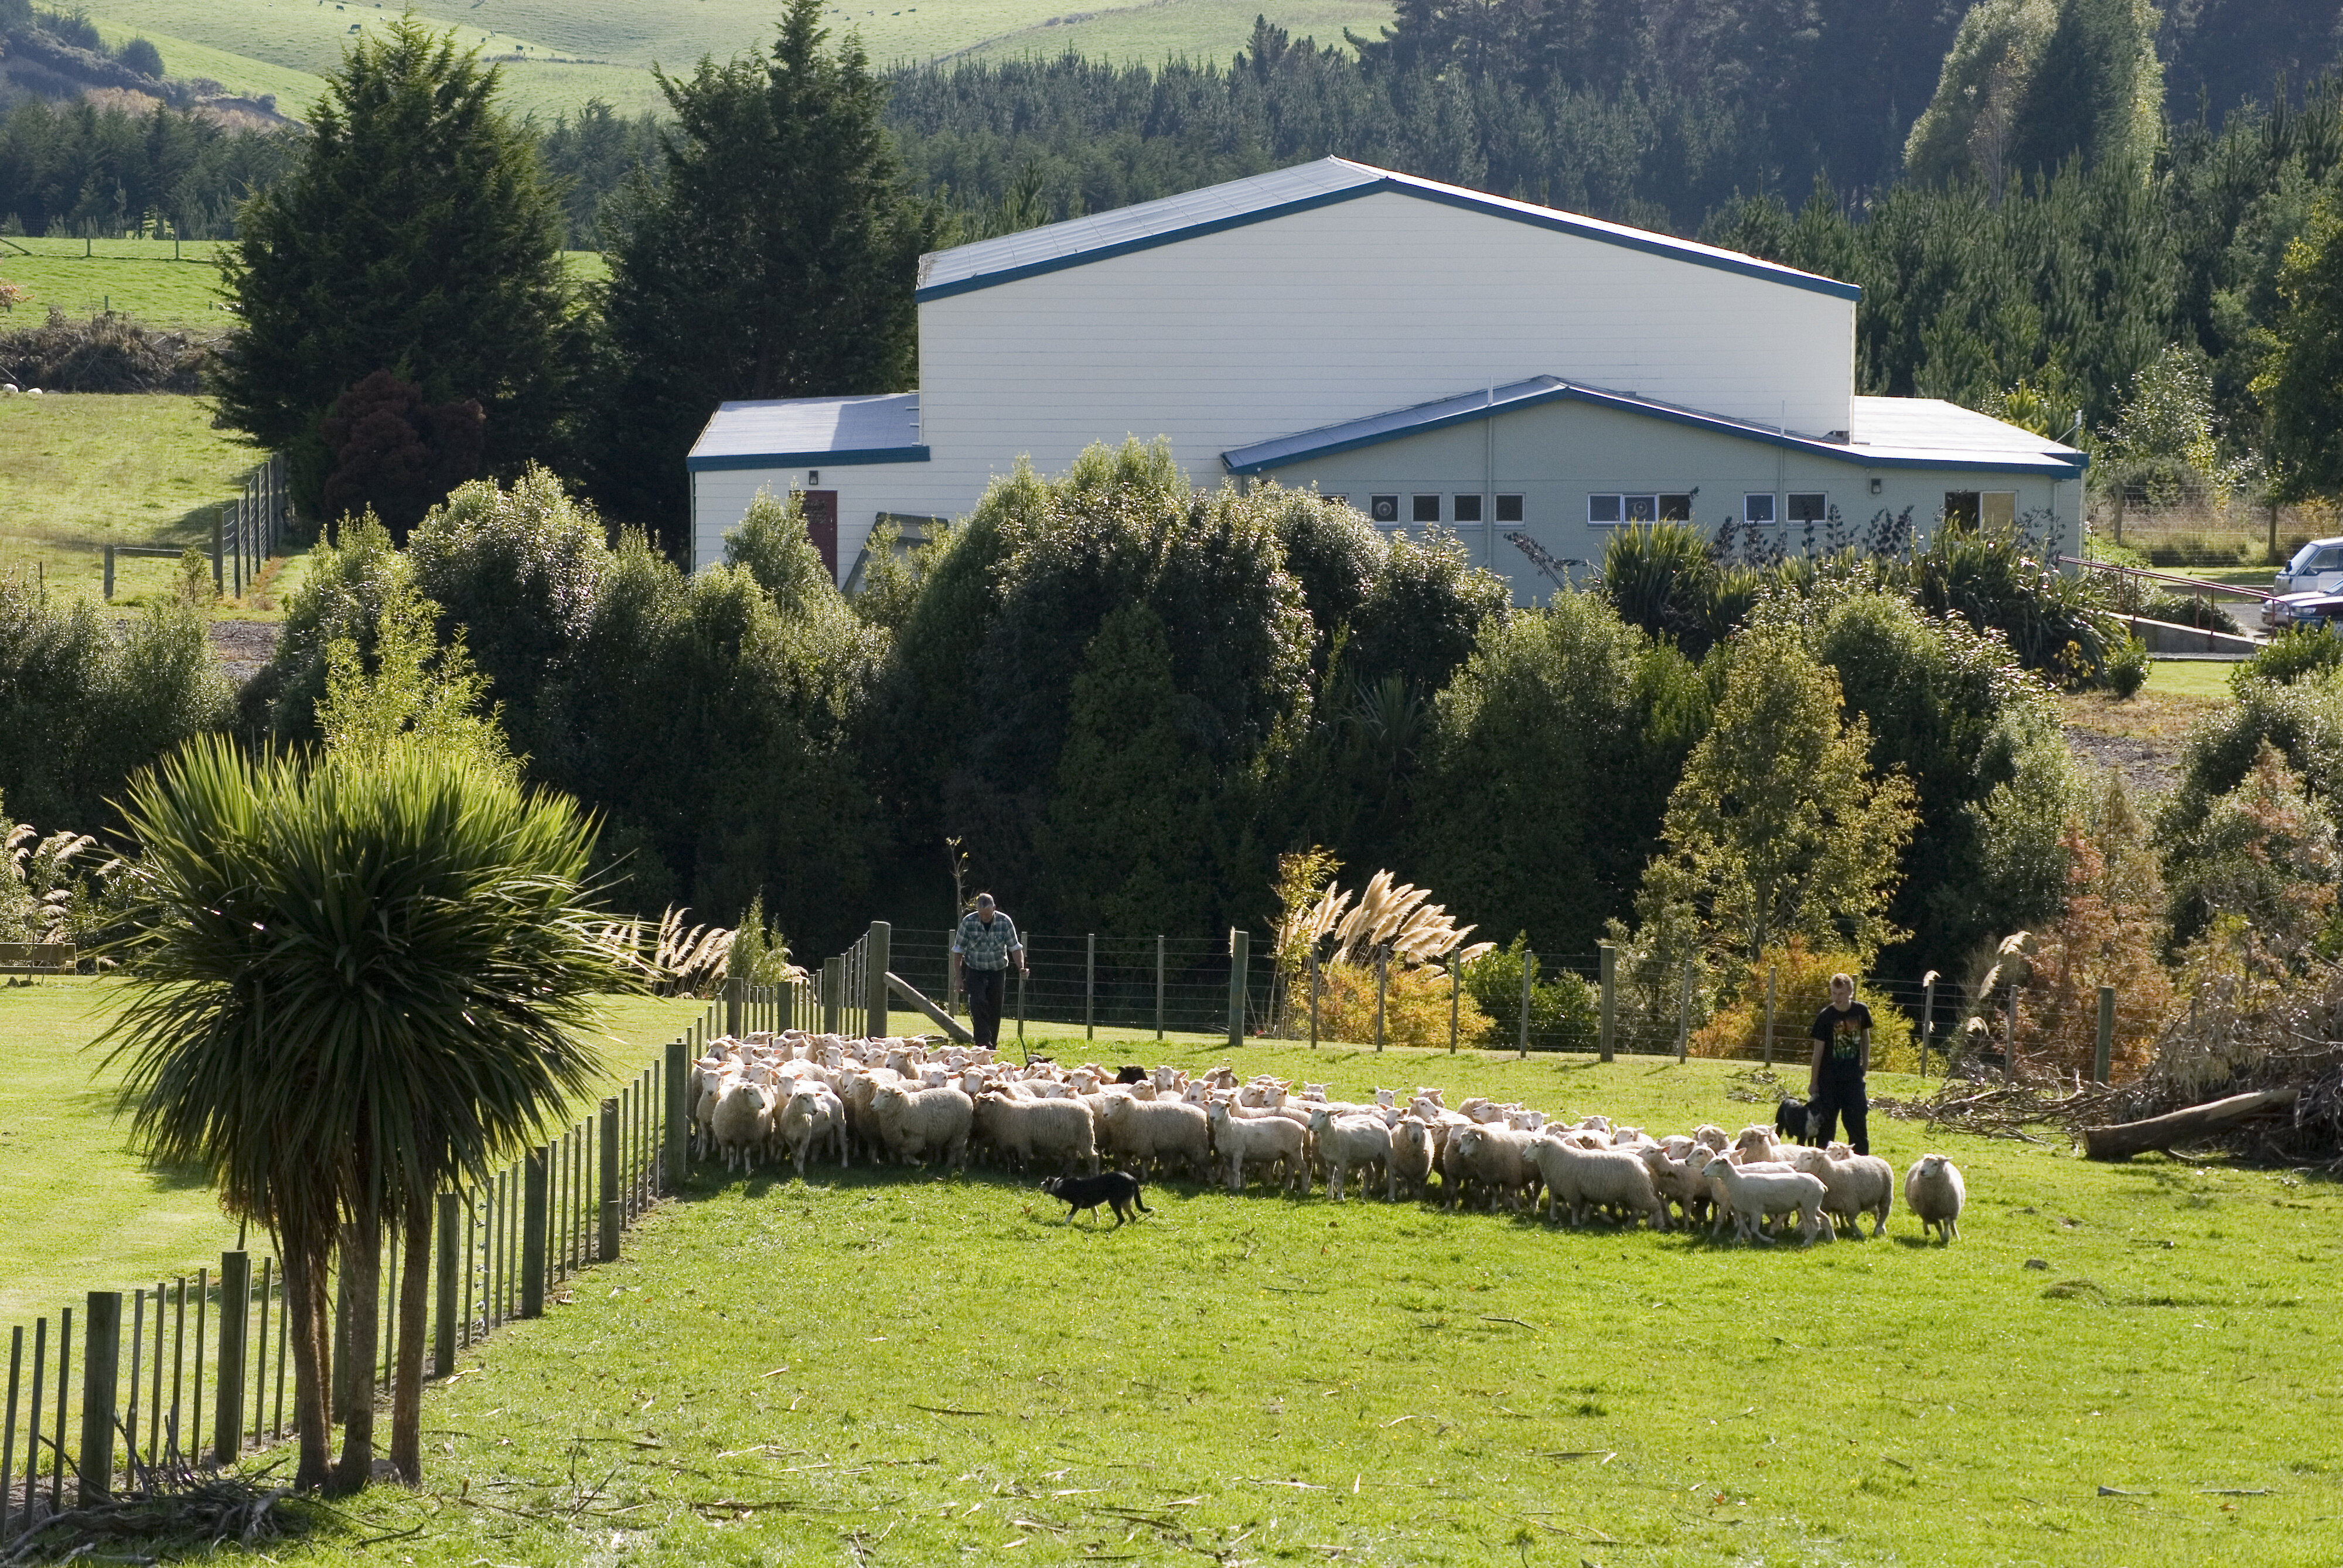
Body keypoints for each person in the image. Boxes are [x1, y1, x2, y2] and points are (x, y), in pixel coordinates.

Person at [1806, 972, 1871, 1155]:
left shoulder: (1861, 1011)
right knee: (1826, 1128)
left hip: (1853, 1079)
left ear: (1850, 991)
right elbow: (1817, 1052)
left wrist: (1865, 1063)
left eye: (1841, 993)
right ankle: (1823, 1166)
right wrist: (1814, 1082)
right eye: (1834, 993)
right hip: (1829, 1080)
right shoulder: (1825, 1017)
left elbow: (1866, 1038)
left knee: (1857, 1124)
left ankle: (1861, 1167)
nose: (1837, 997)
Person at [950, 893, 1025, 1050]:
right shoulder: (968, 922)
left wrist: (1021, 968)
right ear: (977, 910)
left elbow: (1015, 948)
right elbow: (958, 951)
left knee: (994, 1007)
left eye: (987, 914)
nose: (984, 917)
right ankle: (982, 1044)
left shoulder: (1005, 922)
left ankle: (992, 1046)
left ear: (994, 909)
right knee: (977, 1003)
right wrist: (958, 977)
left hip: (997, 970)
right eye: (981, 914)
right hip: (975, 969)